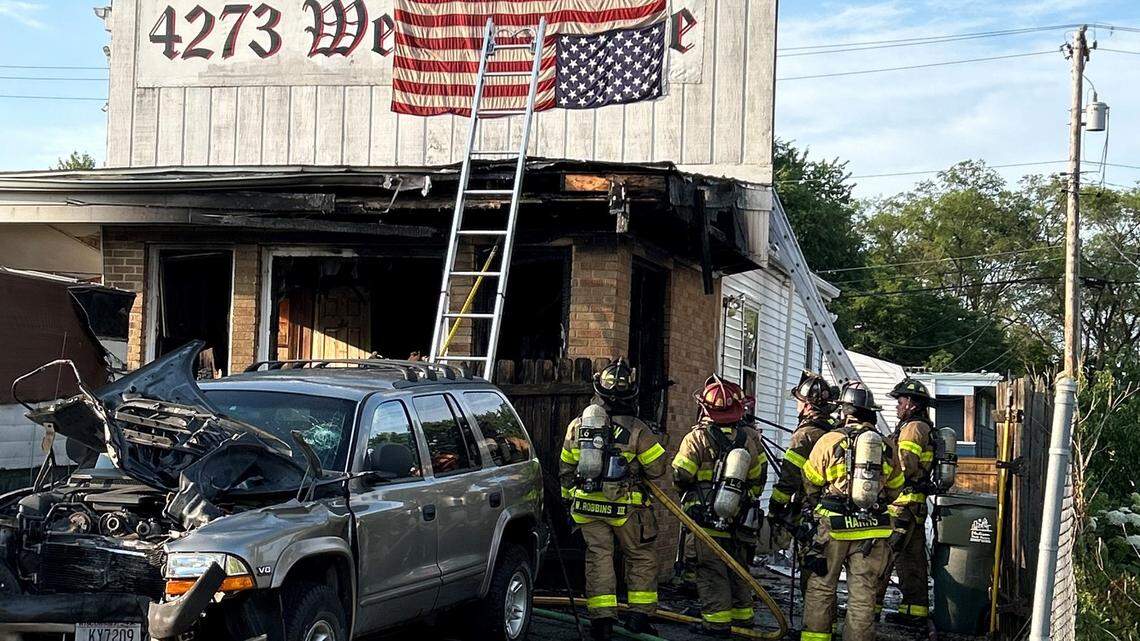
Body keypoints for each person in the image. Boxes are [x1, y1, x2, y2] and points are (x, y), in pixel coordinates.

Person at [559, 357, 667, 641]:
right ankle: (639, 617)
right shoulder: (637, 428)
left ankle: (602, 621)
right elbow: (657, 469)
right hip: (625, 508)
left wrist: (568, 500)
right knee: (640, 556)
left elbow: (566, 468)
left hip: (587, 507)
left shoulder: (578, 425)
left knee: (599, 558)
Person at [800, 382, 906, 641]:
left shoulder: (829, 440)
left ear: (845, 412)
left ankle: (816, 638)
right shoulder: (886, 445)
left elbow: (810, 481)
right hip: (872, 530)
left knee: (821, 586)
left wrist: (814, 503)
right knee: (863, 594)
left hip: (833, 527)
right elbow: (896, 489)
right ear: (870, 413)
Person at [672, 375, 768, 637]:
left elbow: (681, 475)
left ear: (706, 408)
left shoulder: (696, 438)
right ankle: (743, 620)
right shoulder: (750, 438)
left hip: (706, 519)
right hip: (741, 519)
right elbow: (759, 478)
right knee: (739, 570)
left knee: (712, 571)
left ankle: (717, 623)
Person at [876, 377, 937, 626]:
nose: (897, 406)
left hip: (901, 505)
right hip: (914, 507)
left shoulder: (912, 429)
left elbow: (903, 466)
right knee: (912, 560)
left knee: (882, 556)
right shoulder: (921, 426)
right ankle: (914, 611)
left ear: (911, 403)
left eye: (900, 401)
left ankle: (869, 609)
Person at [769, 371, 838, 533]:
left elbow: (789, 479)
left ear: (807, 406)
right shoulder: (836, 428)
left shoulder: (804, 435)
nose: (797, 405)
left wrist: (774, 507)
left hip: (811, 509)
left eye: (799, 401)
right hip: (834, 506)